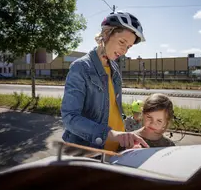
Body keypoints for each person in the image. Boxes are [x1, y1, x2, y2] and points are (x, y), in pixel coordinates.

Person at [61, 11, 149, 152]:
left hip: (116, 149)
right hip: (89, 152)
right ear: (106, 34)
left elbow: (112, 110)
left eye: (128, 47)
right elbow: (69, 118)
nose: (124, 50)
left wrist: (127, 135)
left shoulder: (114, 68)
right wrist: (113, 134)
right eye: (122, 42)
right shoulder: (81, 67)